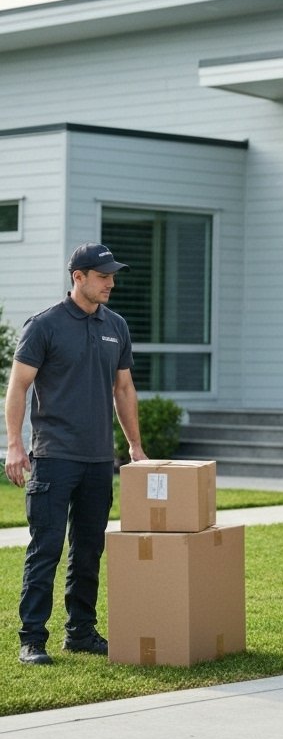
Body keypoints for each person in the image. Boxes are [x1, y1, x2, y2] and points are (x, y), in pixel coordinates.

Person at [5, 242, 146, 666]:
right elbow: (18, 387)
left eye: (112, 276)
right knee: (46, 548)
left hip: (99, 459)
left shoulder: (115, 326)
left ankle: (80, 632)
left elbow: (123, 388)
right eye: (103, 276)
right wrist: (14, 444)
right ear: (78, 277)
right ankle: (32, 638)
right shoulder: (44, 325)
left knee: (88, 550)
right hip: (53, 456)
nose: (111, 283)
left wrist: (135, 446)